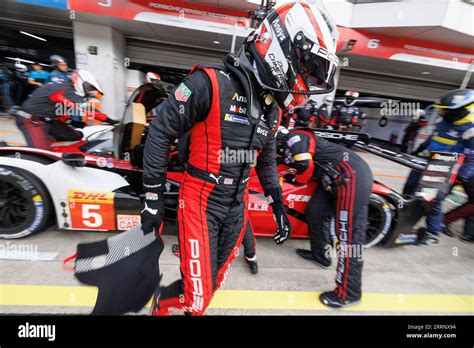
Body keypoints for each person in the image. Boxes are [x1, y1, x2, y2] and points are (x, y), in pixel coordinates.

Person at [141, 1, 339, 316]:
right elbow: (160, 132)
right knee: (197, 299)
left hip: (237, 204)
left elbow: (267, 160)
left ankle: (171, 299)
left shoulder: (274, 109)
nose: (308, 78)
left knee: (213, 284)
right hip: (200, 200)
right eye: (307, 66)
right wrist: (152, 199)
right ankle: (161, 306)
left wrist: (278, 206)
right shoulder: (208, 82)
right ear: (281, 45)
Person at [280, 127, 373, 309]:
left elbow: (304, 170)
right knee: (314, 212)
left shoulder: (295, 137)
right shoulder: (282, 146)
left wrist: (294, 176)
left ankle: (349, 294)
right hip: (331, 178)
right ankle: (321, 255)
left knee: (348, 237)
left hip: (350, 176)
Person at [403, 89, 474, 245]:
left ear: (461, 110)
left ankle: (432, 234)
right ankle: (403, 225)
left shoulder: (470, 128)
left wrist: (462, 176)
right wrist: (419, 149)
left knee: (430, 200)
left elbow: (472, 158)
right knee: (408, 191)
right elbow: (433, 137)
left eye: (446, 111)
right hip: (424, 160)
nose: (442, 113)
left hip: (441, 165)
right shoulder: (444, 121)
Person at [20, 69, 118, 142]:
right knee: (41, 154)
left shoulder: (66, 89)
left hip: (48, 120)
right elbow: (88, 109)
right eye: (88, 88)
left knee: (77, 136)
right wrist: (110, 120)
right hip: (30, 120)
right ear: (79, 81)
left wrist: (71, 122)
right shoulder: (66, 90)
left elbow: (61, 110)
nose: (89, 91)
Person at [443, 173, 474, 243]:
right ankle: (444, 220)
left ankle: (469, 233)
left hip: (466, 173)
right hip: (466, 173)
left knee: (472, 204)